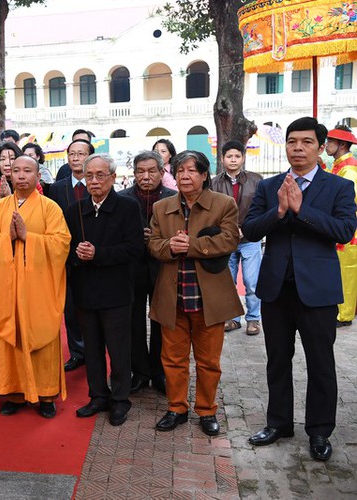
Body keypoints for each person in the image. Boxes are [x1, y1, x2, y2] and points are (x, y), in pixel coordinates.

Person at [243, 117, 357, 461]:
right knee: (278, 360)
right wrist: (278, 211)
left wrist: (301, 210)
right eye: (292, 141)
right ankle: (278, 423)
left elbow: (344, 231)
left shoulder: (338, 187)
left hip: (318, 291)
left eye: (306, 142)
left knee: (320, 363)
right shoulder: (269, 187)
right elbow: (249, 230)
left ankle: (320, 431)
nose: (298, 148)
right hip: (276, 288)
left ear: (320, 147)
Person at [148, 150, 242, 436]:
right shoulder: (162, 208)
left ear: (204, 175)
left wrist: (192, 246)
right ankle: (176, 407)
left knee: (208, 361)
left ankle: (206, 410)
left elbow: (230, 240)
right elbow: (153, 244)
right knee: (172, 360)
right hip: (172, 297)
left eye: (192, 171)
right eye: (180, 171)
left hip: (208, 298)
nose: (185, 176)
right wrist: (169, 248)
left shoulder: (223, 204)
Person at [0, 155, 71, 418]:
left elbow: (62, 244)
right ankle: (14, 393)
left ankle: (46, 395)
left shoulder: (50, 208)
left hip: (38, 289)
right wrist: (6, 236)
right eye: (16, 170)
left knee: (41, 338)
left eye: (27, 171)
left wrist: (27, 237)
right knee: (11, 338)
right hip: (7, 288)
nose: (21, 175)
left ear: (37, 176)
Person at [65, 154, 143, 424]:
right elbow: (65, 251)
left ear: (112, 177)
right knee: (93, 348)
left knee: (119, 349)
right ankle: (98, 395)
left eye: (101, 175)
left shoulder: (128, 207)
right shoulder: (74, 210)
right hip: (85, 291)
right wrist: (77, 255)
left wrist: (98, 254)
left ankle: (120, 399)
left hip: (117, 291)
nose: (95, 181)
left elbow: (134, 249)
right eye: (90, 176)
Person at [119, 150, 175, 395]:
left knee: (162, 319)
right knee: (133, 320)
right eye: (140, 171)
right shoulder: (122, 198)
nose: (146, 176)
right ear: (134, 174)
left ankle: (159, 371)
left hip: (163, 266)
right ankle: (140, 371)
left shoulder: (174, 198)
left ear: (162, 172)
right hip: (132, 268)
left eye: (152, 171)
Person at [48, 139, 95, 372]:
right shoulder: (57, 188)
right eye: (72, 154)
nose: (76, 158)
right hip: (66, 256)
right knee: (71, 307)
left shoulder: (98, 184)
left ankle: (96, 348)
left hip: (95, 255)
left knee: (94, 305)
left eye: (81, 154)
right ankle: (77, 351)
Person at [210, 140, 263, 335]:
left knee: (251, 281)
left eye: (237, 156)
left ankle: (253, 319)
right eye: (229, 156)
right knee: (227, 281)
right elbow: (212, 212)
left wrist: (247, 229)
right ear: (222, 159)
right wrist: (228, 230)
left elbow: (260, 210)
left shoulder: (256, 180)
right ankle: (231, 318)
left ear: (243, 158)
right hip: (225, 240)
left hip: (250, 239)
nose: (233, 160)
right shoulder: (214, 183)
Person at [325, 125, 357, 327]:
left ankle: (344, 315)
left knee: (347, 270)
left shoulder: (349, 168)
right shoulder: (338, 165)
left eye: (330, 142)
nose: (327, 145)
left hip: (349, 229)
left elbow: (349, 200)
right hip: (340, 226)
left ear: (342, 145)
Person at [0, 142, 44, 220]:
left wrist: (12, 200)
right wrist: (0, 200)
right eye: (2, 159)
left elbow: (39, 214)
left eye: (12, 158)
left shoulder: (33, 185)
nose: (7, 163)